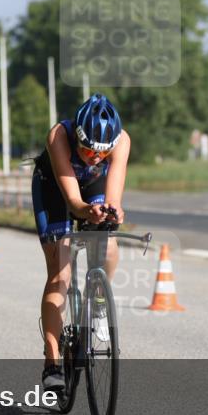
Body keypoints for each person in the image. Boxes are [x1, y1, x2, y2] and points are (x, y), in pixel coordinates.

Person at [30, 93, 130, 392]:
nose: (95, 157)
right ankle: (52, 361)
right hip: (56, 189)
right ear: (78, 137)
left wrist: (112, 211)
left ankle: (98, 301)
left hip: (94, 184)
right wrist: (87, 210)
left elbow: (112, 196)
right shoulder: (59, 135)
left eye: (102, 153)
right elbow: (74, 201)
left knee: (109, 242)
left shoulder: (121, 141)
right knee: (60, 273)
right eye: (88, 151)